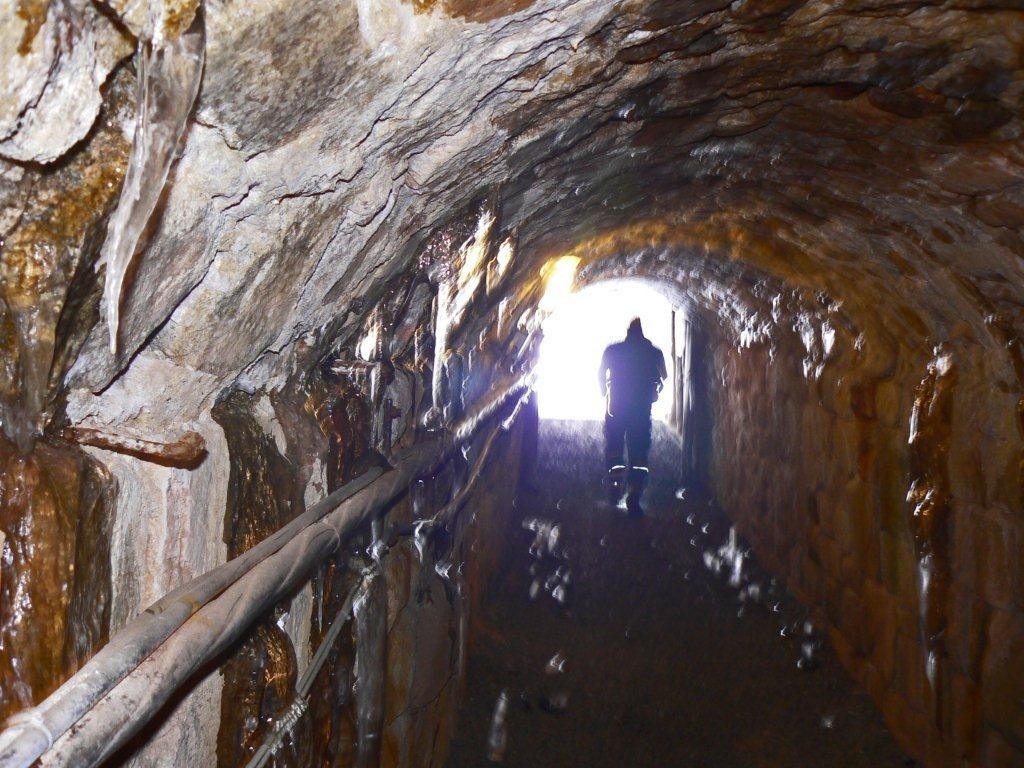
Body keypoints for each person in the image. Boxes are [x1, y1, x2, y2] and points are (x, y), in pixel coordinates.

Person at [598, 318, 667, 517]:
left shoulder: (613, 350)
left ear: (628, 332)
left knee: (614, 448)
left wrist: (604, 392)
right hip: (640, 409)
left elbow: (601, 373)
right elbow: (663, 377)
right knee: (639, 454)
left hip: (616, 407)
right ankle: (634, 496)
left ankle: (615, 489)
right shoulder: (653, 352)